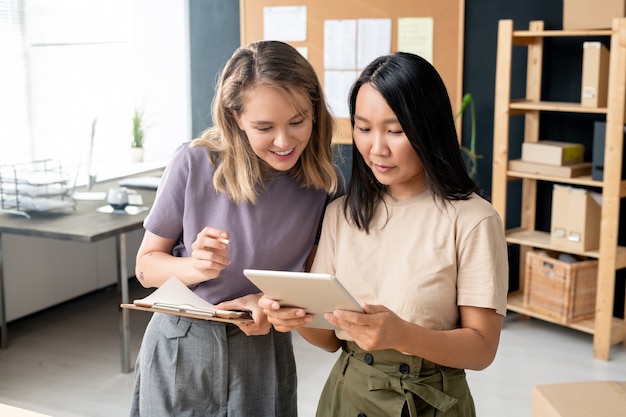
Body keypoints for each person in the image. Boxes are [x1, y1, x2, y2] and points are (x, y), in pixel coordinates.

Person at [260, 52, 509, 417]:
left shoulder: (473, 220)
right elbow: (329, 340)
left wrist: (402, 335)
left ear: (428, 128)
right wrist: (295, 318)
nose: (377, 148)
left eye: (395, 131)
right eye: (363, 128)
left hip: (429, 402)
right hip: (347, 396)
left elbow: (482, 350)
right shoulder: (340, 214)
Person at [130, 40, 345, 417]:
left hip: (262, 350)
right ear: (234, 117)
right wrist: (194, 268)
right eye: (264, 127)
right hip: (182, 345)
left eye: (298, 121)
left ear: (315, 111)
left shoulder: (326, 186)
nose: (284, 141)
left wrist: (266, 303)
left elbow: (311, 285)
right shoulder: (194, 162)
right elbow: (146, 268)